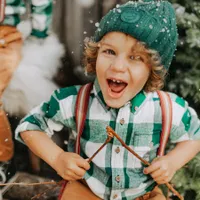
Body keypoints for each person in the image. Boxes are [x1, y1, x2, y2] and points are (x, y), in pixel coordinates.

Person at [15, 0, 200, 199]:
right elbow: (29, 126)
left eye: (136, 57)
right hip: (86, 191)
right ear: (96, 54)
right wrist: (58, 158)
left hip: (141, 195)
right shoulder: (75, 101)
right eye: (110, 52)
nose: (118, 66)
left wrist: (172, 162)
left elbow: (195, 136)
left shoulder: (167, 109)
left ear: (153, 70)